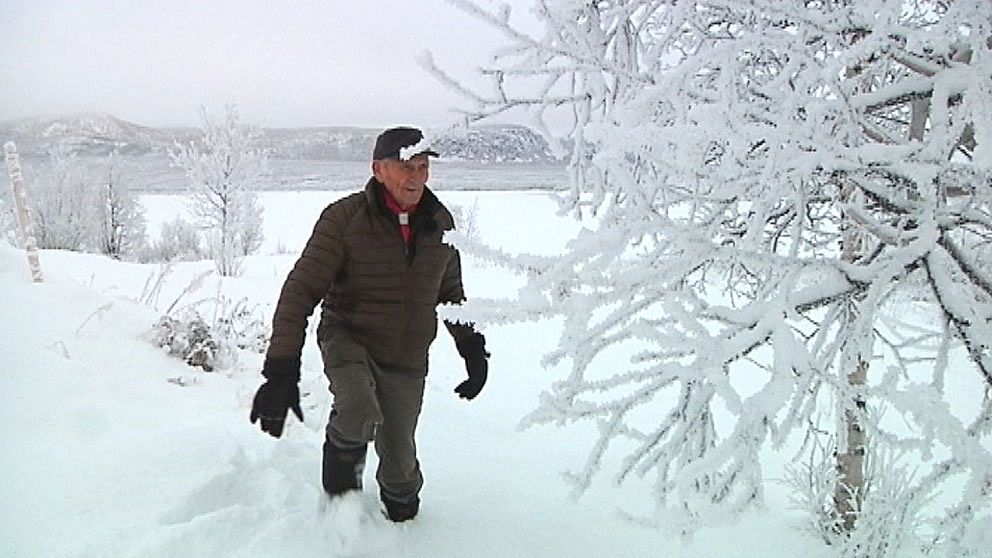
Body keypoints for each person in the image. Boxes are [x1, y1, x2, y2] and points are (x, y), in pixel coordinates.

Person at [249, 126, 489, 522]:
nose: (416, 176)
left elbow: (451, 295)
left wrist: (473, 349)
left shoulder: (440, 225)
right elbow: (301, 290)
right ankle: (339, 509)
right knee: (358, 408)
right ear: (378, 169)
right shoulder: (344, 219)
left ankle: (401, 515)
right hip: (349, 337)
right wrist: (280, 370)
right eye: (405, 166)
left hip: (407, 356)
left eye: (423, 166)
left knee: (400, 469)